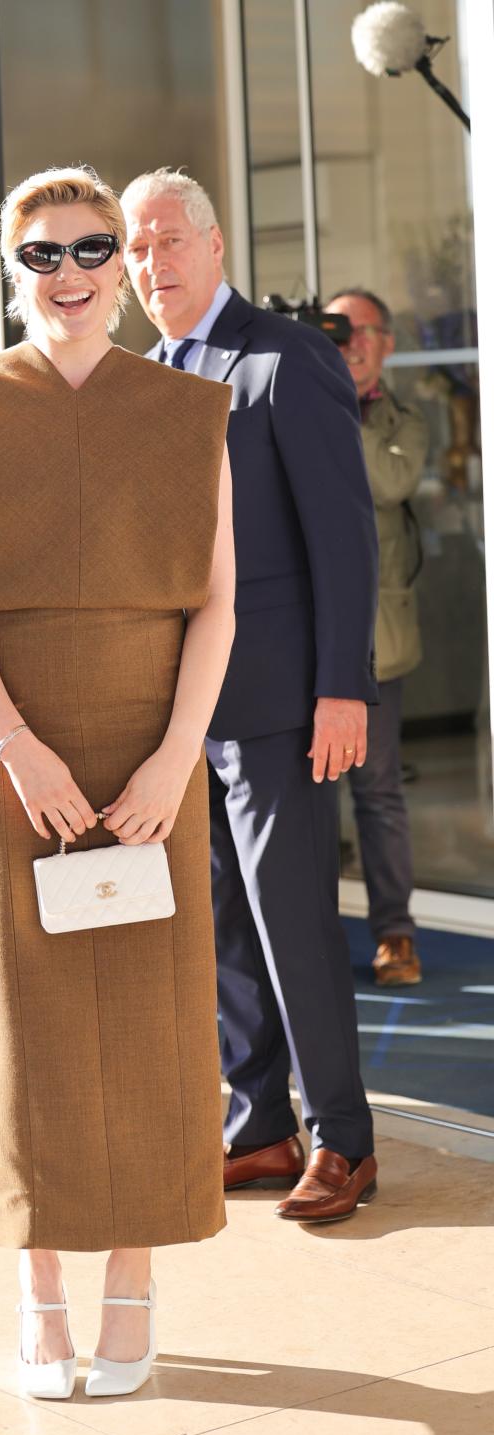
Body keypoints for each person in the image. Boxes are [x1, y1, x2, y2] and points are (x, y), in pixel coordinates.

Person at [0, 165, 234, 1401]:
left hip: (154, 741)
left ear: (122, 263)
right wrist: (16, 742)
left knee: (150, 1024)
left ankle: (135, 1281)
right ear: (13, 271)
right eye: (42, 255)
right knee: (35, 1025)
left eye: (92, 248)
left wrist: (173, 755)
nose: (73, 273)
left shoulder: (186, 409)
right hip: (6, 743)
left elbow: (220, 601)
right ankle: (41, 1288)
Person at [122, 167, 380, 1223]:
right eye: (136, 248)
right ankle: (260, 1126)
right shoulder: (149, 376)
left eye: (168, 240)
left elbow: (344, 540)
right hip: (187, 711)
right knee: (222, 924)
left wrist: (342, 689)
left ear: (216, 246)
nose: (151, 263)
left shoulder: (289, 360)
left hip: (279, 701)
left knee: (291, 924)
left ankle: (345, 1141)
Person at [325, 288, 429, 987]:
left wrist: (331, 407)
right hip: (304, 635)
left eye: (363, 330)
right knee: (300, 798)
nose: (352, 340)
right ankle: (308, 937)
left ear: (387, 343)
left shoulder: (402, 423)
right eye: (337, 329)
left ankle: (395, 932)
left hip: (376, 641)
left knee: (377, 790)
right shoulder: (296, 398)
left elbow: (387, 481)